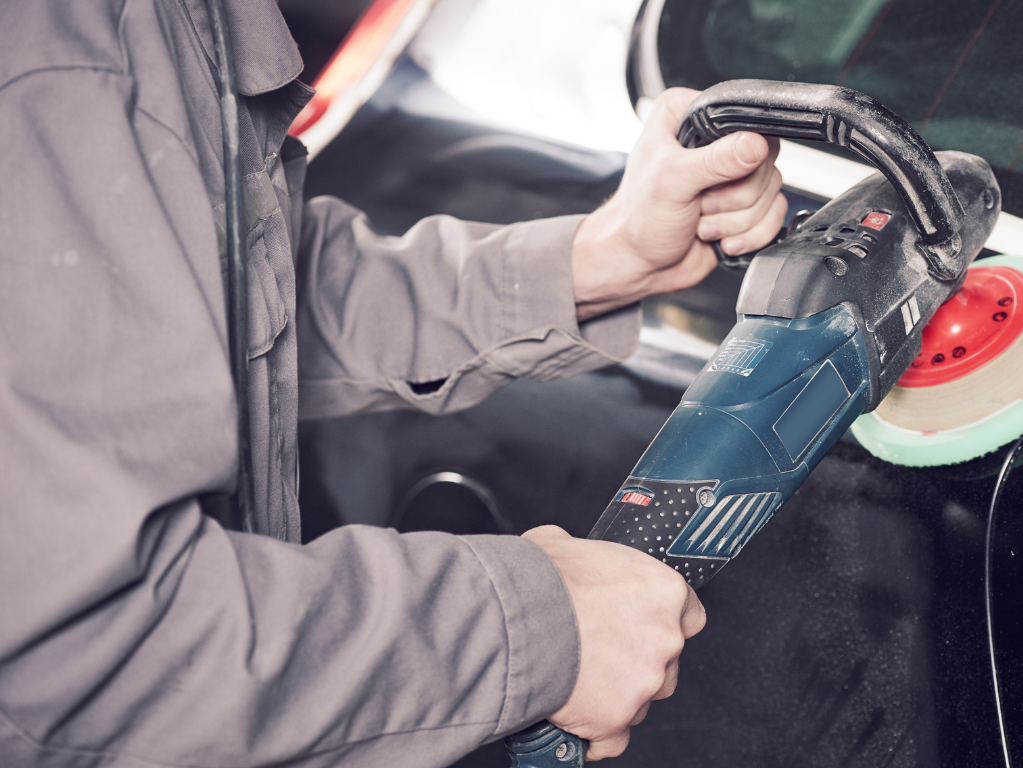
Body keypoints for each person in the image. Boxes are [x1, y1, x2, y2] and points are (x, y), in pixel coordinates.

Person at [0, 1, 786, 765]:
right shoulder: (67, 60)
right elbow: (89, 655)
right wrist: (537, 629)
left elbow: (237, 293)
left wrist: (595, 263)